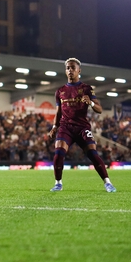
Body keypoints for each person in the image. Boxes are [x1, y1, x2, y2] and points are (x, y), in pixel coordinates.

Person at [47, 58, 116, 193]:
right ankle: (58, 183)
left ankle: (107, 183)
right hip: (65, 127)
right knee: (59, 153)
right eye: (68, 68)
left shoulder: (86, 88)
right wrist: (55, 127)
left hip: (82, 128)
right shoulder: (60, 91)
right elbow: (58, 111)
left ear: (79, 70)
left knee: (92, 153)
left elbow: (99, 109)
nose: (70, 70)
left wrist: (90, 103)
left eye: (73, 68)